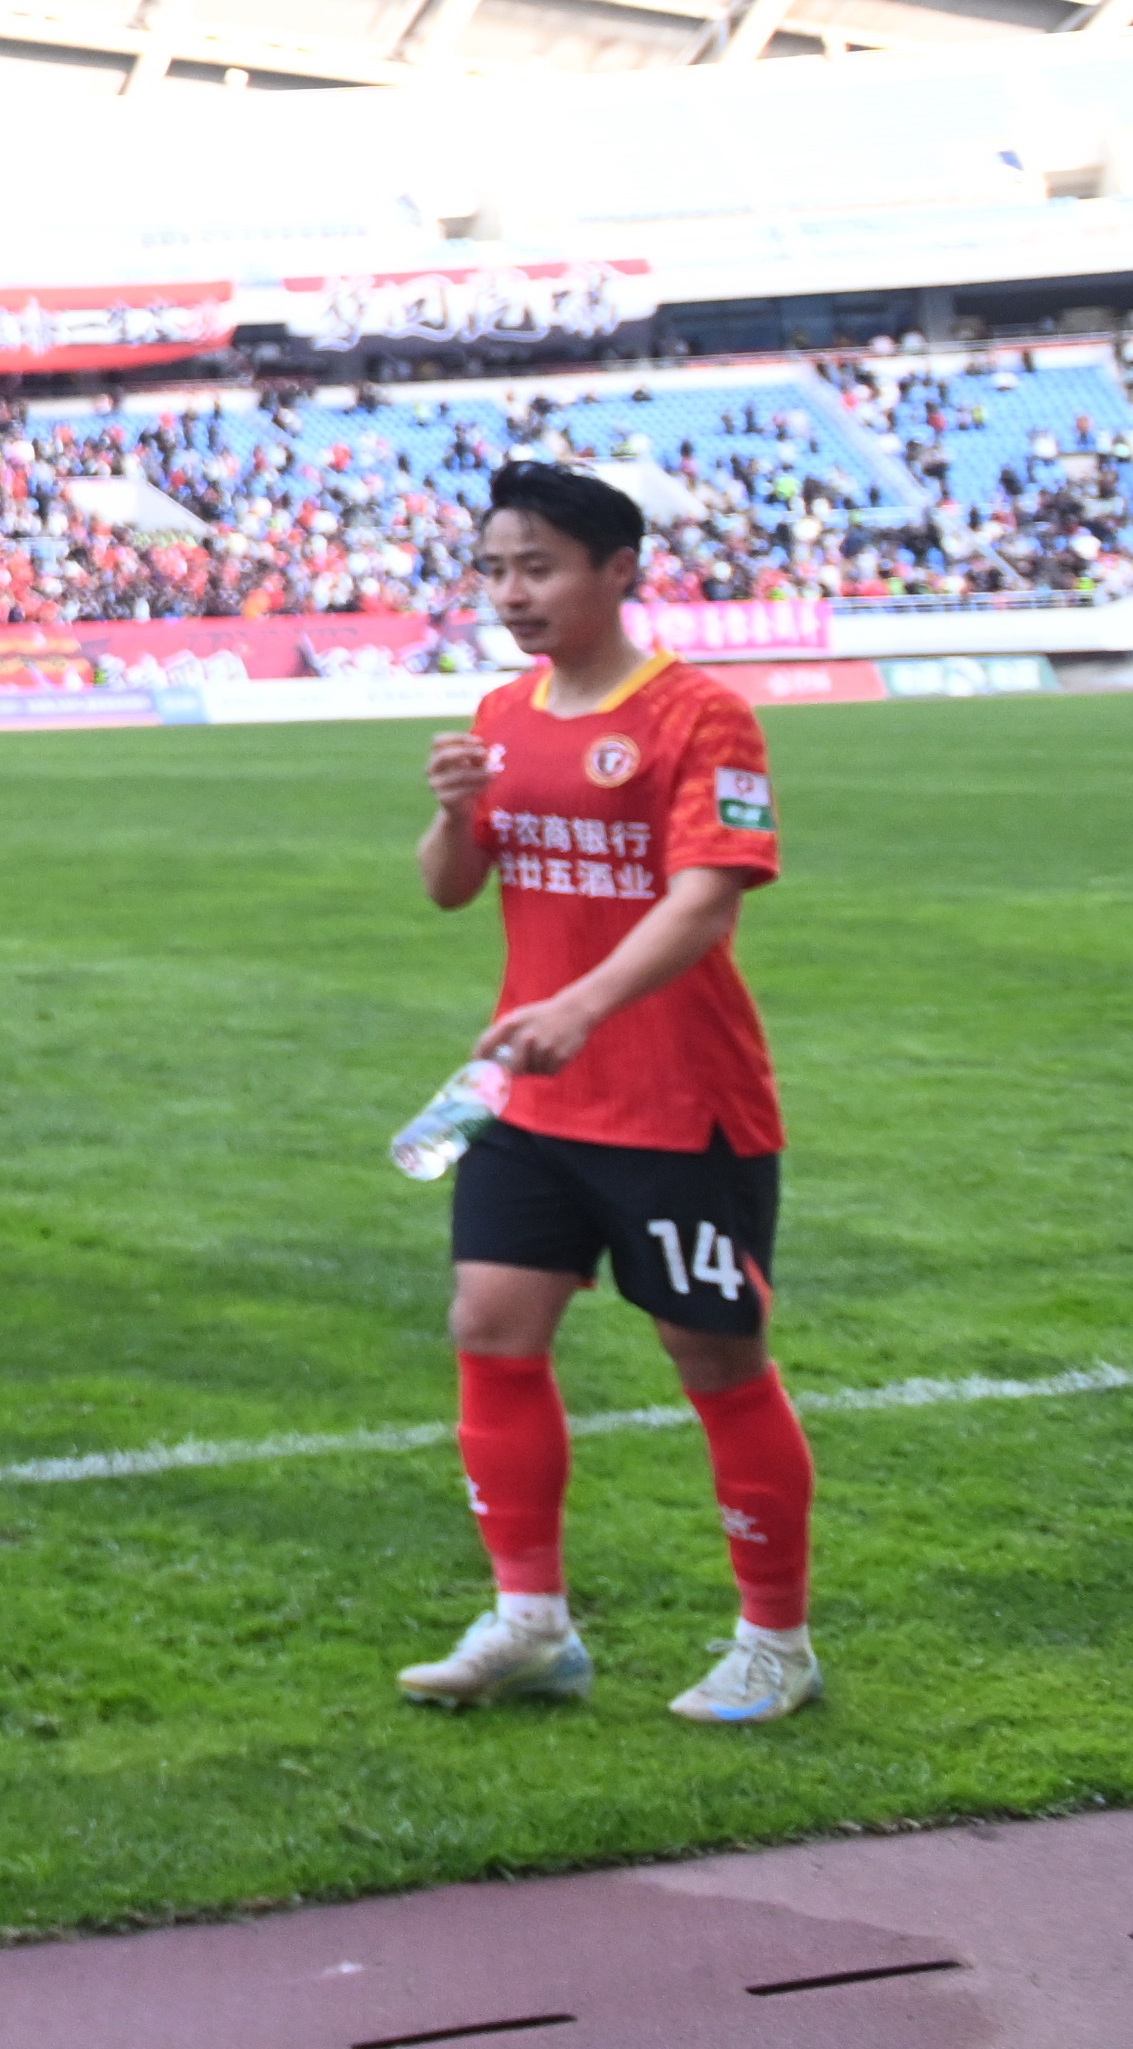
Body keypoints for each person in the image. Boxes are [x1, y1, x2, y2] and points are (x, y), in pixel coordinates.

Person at [401, 461, 818, 1727]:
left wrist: (582, 1006)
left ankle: (776, 1642)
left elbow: (704, 901)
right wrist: (453, 816)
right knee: (488, 1325)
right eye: (493, 570)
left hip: (677, 1103)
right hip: (526, 1098)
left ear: (617, 569)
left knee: (713, 1355)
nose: (510, 593)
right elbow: (450, 889)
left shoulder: (703, 716)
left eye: (537, 567)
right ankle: (530, 1624)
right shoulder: (499, 710)